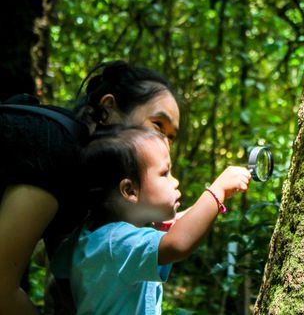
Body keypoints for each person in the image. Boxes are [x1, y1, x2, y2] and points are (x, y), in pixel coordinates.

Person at [0, 60, 180, 314]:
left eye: (171, 136)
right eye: (158, 126)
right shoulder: (55, 149)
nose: (164, 143)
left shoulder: (89, 185)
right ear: (108, 108)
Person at [51, 125, 251, 313]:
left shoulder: (90, 237)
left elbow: (59, 269)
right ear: (130, 190)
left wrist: (209, 205)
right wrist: (217, 191)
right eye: (165, 173)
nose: (176, 181)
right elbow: (178, 243)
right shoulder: (118, 243)